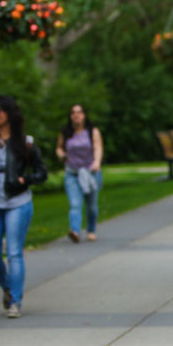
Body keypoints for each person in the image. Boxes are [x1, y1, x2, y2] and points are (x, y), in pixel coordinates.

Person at [0, 96, 47, 318]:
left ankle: (15, 300)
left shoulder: (25, 143)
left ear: (9, 114)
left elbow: (41, 172)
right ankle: (7, 286)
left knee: (14, 252)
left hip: (17, 203)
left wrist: (24, 180)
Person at [56, 104, 103, 243]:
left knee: (91, 206)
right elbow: (59, 148)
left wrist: (97, 162)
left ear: (84, 115)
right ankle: (75, 231)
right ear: (70, 116)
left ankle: (91, 230)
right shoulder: (65, 132)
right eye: (73, 113)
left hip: (90, 172)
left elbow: (98, 148)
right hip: (72, 173)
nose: (76, 115)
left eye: (79, 112)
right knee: (75, 204)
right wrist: (61, 155)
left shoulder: (92, 131)